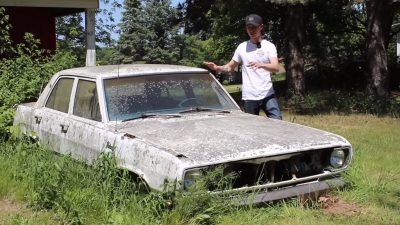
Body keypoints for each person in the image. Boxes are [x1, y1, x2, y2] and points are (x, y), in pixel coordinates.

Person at [204, 14, 282, 120]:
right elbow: (230, 67)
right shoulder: (241, 47)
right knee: (251, 128)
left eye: (254, 27)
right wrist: (217, 68)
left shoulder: (269, 46)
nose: (251, 30)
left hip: (267, 94)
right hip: (249, 96)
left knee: (278, 123)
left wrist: (261, 64)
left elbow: (275, 67)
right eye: (249, 27)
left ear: (261, 27)